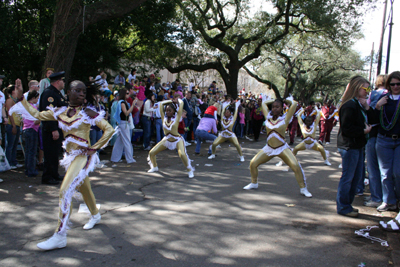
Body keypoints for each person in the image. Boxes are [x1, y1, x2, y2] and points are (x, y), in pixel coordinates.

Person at [10, 80, 114, 250]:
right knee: (84, 187)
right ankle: (95, 214)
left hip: (83, 157)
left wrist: (93, 148)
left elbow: (108, 129)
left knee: (65, 190)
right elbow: (36, 115)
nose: (81, 93)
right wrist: (22, 96)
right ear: (68, 93)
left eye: (83, 91)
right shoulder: (60, 112)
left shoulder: (88, 112)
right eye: (77, 90)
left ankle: (60, 235)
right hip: (70, 157)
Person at [243, 95, 312, 198]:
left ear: (282, 109)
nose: (275, 108)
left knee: (296, 166)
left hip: (282, 148)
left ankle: (303, 188)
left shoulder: (285, 118)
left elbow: (294, 104)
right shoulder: (268, 117)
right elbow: (263, 104)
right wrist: (273, 100)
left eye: (277, 107)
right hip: (269, 148)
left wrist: (285, 100)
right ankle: (254, 183)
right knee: (253, 163)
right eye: (273, 106)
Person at [336, 76, 373, 218]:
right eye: (366, 89)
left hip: (357, 145)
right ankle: (343, 207)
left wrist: (367, 108)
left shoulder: (358, 104)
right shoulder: (349, 105)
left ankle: (347, 205)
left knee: (356, 177)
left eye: (369, 89)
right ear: (357, 87)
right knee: (348, 177)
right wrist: (363, 131)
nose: (368, 92)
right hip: (349, 146)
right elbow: (346, 128)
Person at [147, 98, 194, 178]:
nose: (167, 112)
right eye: (166, 110)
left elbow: (181, 102)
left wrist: (176, 100)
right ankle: (154, 167)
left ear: (174, 111)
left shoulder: (177, 117)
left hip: (177, 139)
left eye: (170, 110)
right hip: (167, 140)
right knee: (152, 153)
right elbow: (161, 104)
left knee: (182, 154)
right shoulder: (163, 117)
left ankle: (189, 170)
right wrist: (170, 101)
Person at [39, 72, 68, 185]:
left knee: (55, 153)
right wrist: (53, 129)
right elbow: (49, 113)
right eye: (63, 80)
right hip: (50, 129)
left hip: (58, 127)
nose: (64, 83)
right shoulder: (49, 94)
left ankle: (54, 174)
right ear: (57, 81)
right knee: (50, 153)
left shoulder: (57, 93)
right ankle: (47, 177)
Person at [364, 74, 387, 208]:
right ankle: (387, 198)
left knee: (372, 168)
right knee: (384, 169)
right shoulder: (390, 95)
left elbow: (369, 113)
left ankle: (376, 197)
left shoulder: (373, 94)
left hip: (373, 133)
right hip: (387, 134)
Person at [111, 88, 137, 163]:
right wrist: (133, 105)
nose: (129, 94)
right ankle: (129, 159)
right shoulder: (122, 102)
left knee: (119, 142)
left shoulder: (123, 102)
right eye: (127, 93)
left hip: (123, 123)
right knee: (127, 141)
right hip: (123, 123)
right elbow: (126, 113)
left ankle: (115, 158)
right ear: (124, 94)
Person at [4, 81, 23, 169]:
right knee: (10, 145)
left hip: (17, 124)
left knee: (15, 144)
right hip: (12, 125)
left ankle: (14, 161)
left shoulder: (15, 100)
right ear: (12, 91)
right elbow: (9, 113)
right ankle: (9, 162)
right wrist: (14, 125)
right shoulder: (9, 100)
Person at [22, 91, 40, 177]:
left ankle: (28, 169)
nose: (37, 100)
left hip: (26, 129)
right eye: (37, 98)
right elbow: (36, 121)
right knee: (32, 151)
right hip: (32, 129)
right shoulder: (33, 108)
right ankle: (31, 170)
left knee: (28, 150)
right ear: (33, 98)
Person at [0, 75, 8, 150]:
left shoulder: (1, 94)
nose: (1, 80)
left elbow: (2, 107)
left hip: (0, 121)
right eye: (0, 79)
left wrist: (5, 117)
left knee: (1, 140)